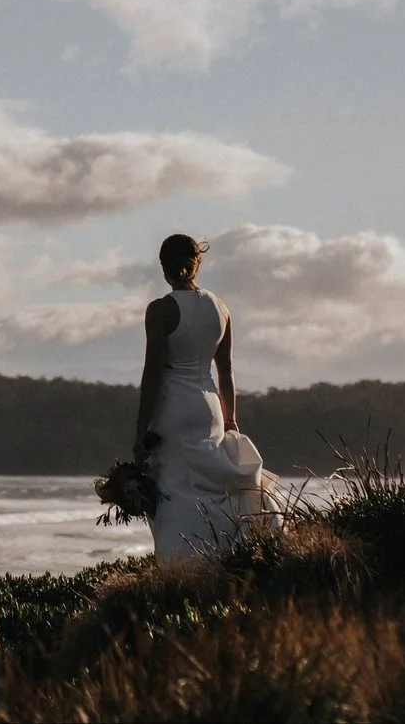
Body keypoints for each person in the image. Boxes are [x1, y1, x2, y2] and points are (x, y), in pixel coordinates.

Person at [133, 233, 264, 562]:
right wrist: (231, 419)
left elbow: (153, 373)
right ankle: (223, 549)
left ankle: (182, 561)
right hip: (210, 406)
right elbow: (226, 370)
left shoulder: (161, 310)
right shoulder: (220, 308)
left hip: (174, 405)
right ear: (197, 264)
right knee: (211, 484)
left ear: (163, 266)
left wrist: (139, 434)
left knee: (175, 489)